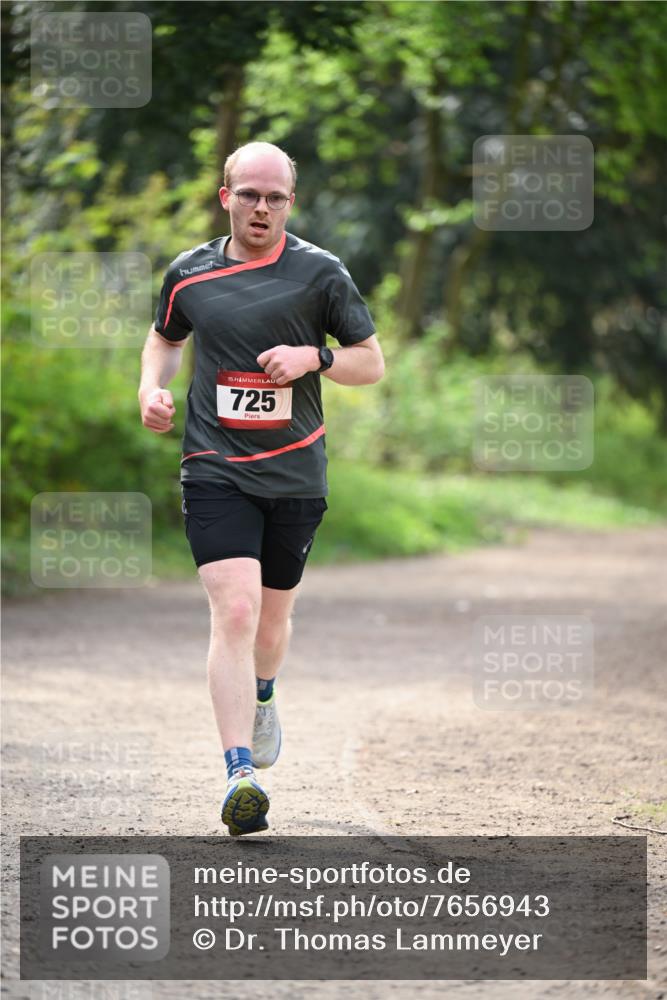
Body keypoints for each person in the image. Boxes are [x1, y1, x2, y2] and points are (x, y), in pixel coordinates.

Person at [138, 141, 384, 836]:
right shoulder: (189, 272)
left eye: (275, 197)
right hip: (214, 466)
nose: (261, 208)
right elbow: (164, 337)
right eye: (249, 194)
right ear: (225, 197)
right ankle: (238, 772)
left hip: (295, 474)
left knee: (272, 625)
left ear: (290, 204)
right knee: (236, 612)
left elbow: (371, 362)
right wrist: (150, 388)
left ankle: (264, 694)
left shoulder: (319, 274)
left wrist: (317, 356)